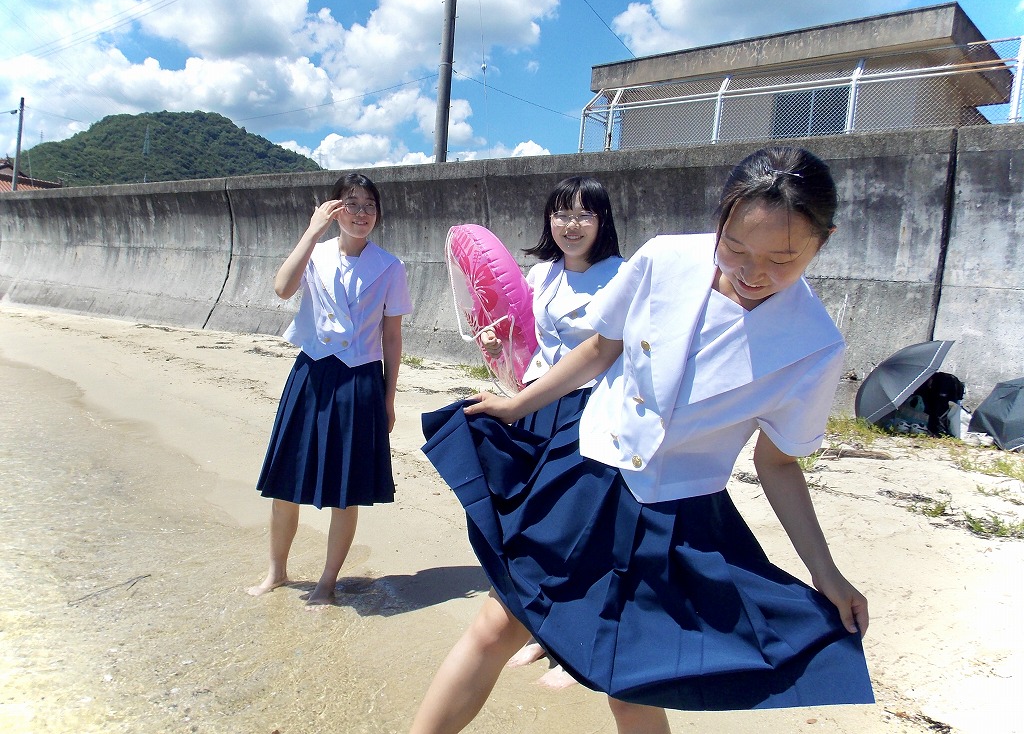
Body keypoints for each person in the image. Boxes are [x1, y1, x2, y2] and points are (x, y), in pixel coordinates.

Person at [412, 147, 873, 733]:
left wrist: (824, 571)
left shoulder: (814, 345)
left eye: (782, 259)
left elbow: (778, 464)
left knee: (634, 685)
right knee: (496, 626)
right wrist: (518, 403)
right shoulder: (664, 258)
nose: (753, 272)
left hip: (678, 515)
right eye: (735, 247)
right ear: (721, 219)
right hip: (586, 473)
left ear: (822, 241)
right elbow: (601, 348)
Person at [479, 176, 626, 686]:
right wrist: (498, 336)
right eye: (562, 214)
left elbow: (612, 354)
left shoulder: (621, 277)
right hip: (537, 405)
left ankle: (569, 642)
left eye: (585, 214)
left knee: (580, 527)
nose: (571, 224)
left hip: (593, 413)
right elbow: (522, 334)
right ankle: (536, 627)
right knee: (529, 518)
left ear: (602, 221)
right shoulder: (541, 275)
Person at [247, 173, 412, 610]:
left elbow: (392, 337)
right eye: (350, 204)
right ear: (334, 208)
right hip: (311, 374)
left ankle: (327, 581)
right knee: (285, 483)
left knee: (346, 490)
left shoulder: (390, 267)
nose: (360, 214)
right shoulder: (315, 253)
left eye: (369, 206)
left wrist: (389, 396)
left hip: (359, 380)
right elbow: (282, 288)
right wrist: (312, 229)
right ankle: (276, 571)